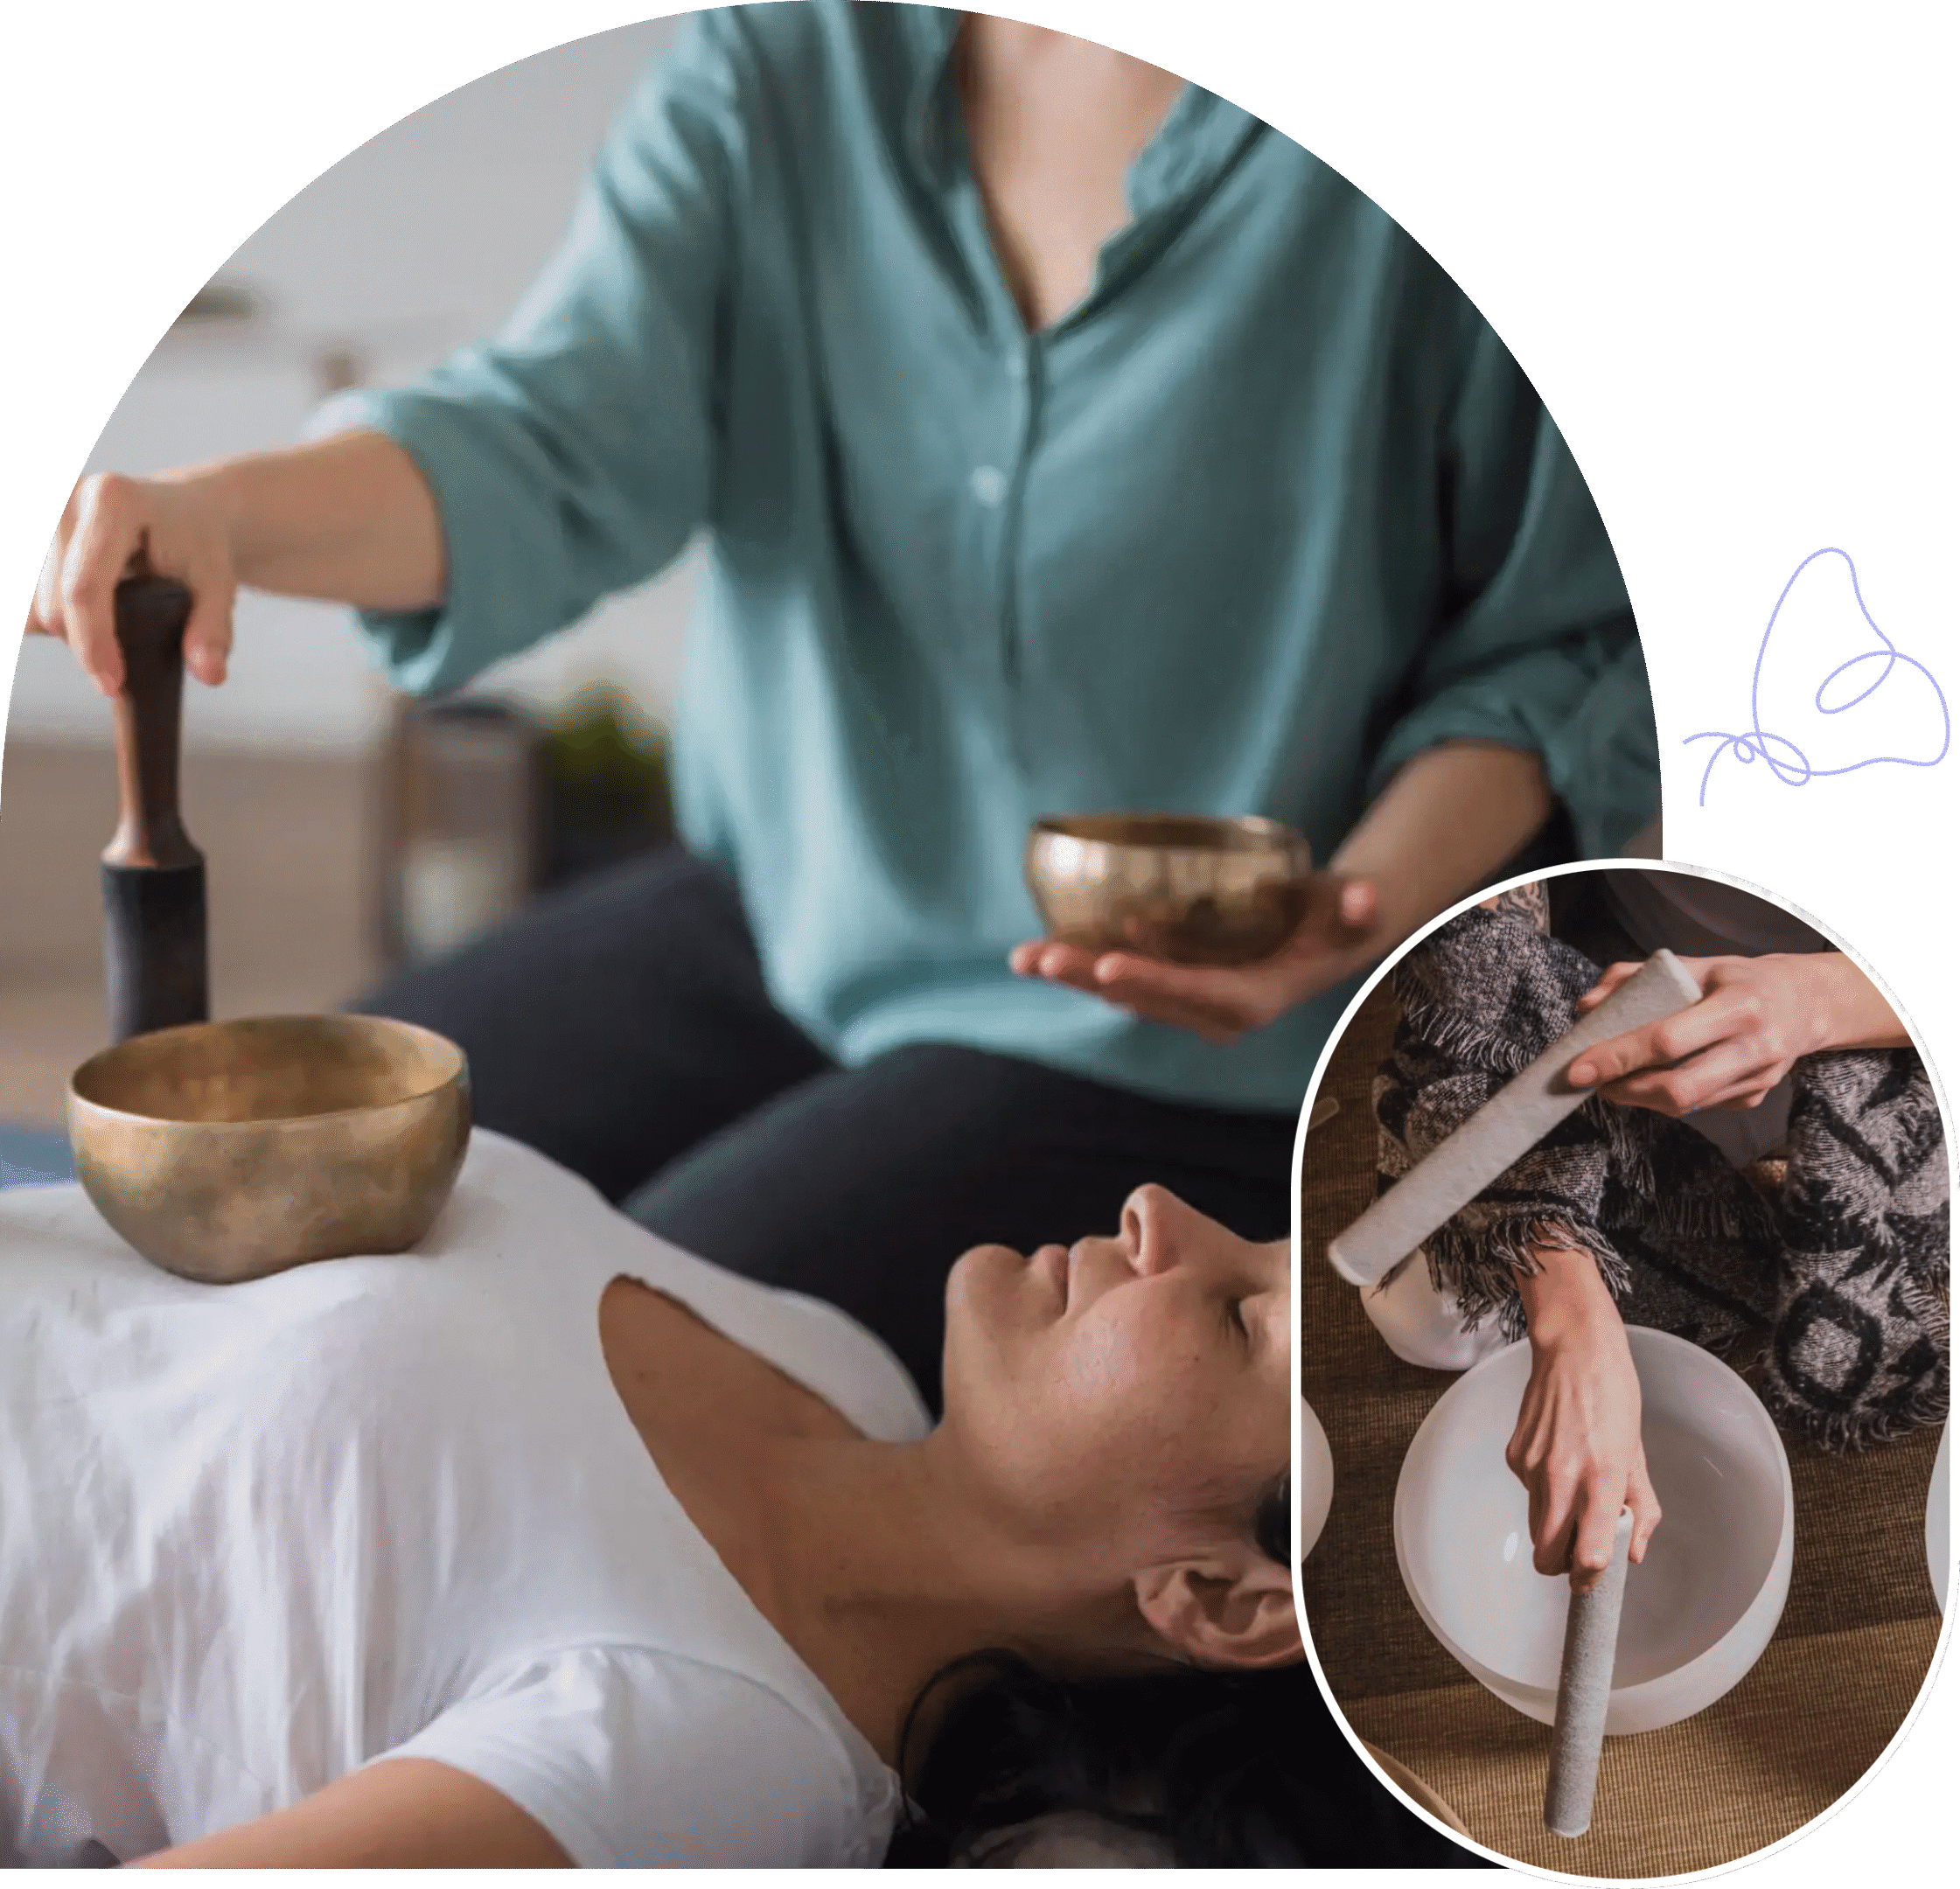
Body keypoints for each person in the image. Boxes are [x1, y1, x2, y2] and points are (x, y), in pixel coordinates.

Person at [25, 3, 1659, 1402]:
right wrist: (224, 516)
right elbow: (550, 433)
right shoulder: (782, 57)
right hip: (790, 916)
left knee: (572, 1361)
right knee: (307, 1224)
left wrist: (1345, 915)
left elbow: (1563, 641)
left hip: (1191, 1048)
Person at [0, 1133, 1473, 1870]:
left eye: (1238, 1318)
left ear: (1219, 1597)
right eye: (1266, 1239)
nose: (1165, 1218)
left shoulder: (706, 1755)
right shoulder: (834, 1365)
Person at [1357, 868, 1949, 1593]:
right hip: (1619, 974)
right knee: (1427, 1314)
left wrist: (1815, 1001)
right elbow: (1472, 909)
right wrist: (1569, 1313)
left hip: (1882, 1022)